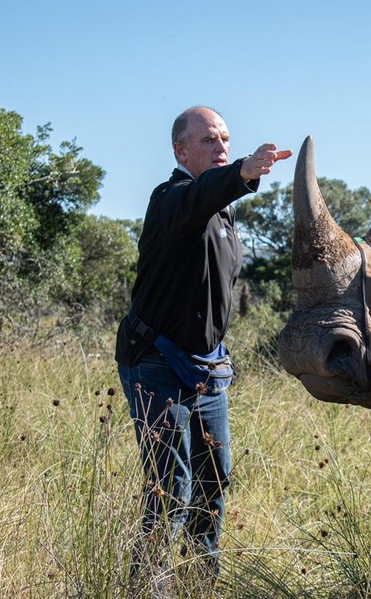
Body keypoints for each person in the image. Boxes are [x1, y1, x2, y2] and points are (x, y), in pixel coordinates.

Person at [114, 106, 292, 587]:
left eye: (227, 141)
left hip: (207, 370)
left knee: (213, 482)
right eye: (209, 140)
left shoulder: (224, 215)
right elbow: (197, 198)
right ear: (181, 150)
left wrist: (237, 177)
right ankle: (146, 590)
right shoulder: (171, 199)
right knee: (170, 490)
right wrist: (243, 172)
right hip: (154, 362)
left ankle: (199, 585)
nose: (221, 147)